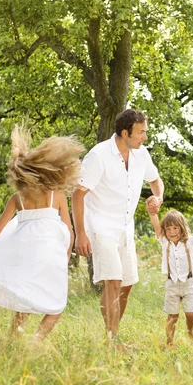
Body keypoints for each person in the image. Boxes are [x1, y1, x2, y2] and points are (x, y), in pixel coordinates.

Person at [0, 126, 84, 340]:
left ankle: (13, 339)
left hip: (25, 254)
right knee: (56, 305)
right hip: (51, 255)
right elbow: (69, 229)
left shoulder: (18, 198)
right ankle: (35, 342)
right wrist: (66, 254)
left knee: (25, 297)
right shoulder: (56, 195)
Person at [72, 109, 164, 350]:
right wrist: (80, 233)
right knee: (112, 281)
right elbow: (78, 195)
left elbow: (155, 181)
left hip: (126, 225)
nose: (145, 137)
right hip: (101, 224)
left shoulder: (141, 154)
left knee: (127, 283)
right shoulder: (99, 155)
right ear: (125, 133)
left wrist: (158, 197)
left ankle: (113, 333)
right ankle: (112, 339)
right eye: (141, 132)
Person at [148, 209, 193, 345]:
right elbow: (156, 226)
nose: (171, 232)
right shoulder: (164, 242)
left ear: (182, 227)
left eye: (175, 228)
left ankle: (190, 331)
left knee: (191, 313)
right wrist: (152, 213)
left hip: (189, 283)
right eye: (168, 229)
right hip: (172, 284)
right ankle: (169, 343)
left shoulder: (190, 241)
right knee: (172, 316)